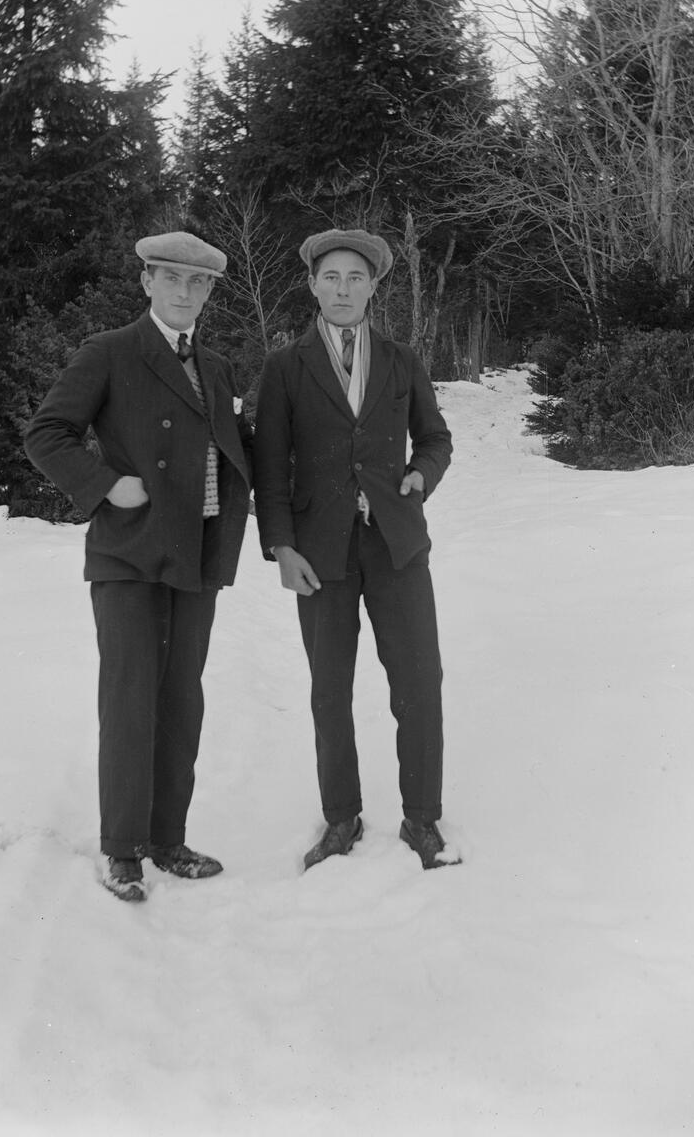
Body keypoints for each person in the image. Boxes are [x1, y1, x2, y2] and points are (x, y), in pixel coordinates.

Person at [25, 231, 252, 902]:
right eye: (172, 278)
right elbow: (46, 434)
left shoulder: (216, 367)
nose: (185, 291)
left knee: (182, 698)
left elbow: (230, 447)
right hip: (130, 551)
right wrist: (104, 486)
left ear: (208, 294)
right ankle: (122, 849)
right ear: (147, 282)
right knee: (130, 699)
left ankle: (167, 840)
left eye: (198, 283)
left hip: (198, 551)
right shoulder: (110, 351)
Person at [252, 228, 458, 871]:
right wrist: (282, 546)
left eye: (356, 278)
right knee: (329, 690)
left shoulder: (401, 359)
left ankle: (422, 819)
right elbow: (269, 466)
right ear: (313, 285)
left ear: (373, 288)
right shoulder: (286, 366)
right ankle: (341, 818)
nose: (343, 289)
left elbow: (436, 438)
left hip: (397, 547)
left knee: (419, 682)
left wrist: (421, 473)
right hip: (322, 553)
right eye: (331, 277)